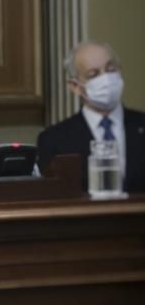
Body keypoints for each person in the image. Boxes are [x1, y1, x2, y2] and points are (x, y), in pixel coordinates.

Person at [37, 41, 145, 193]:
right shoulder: (54, 140)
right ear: (75, 86)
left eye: (110, 69)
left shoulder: (141, 124)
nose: (106, 78)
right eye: (93, 74)